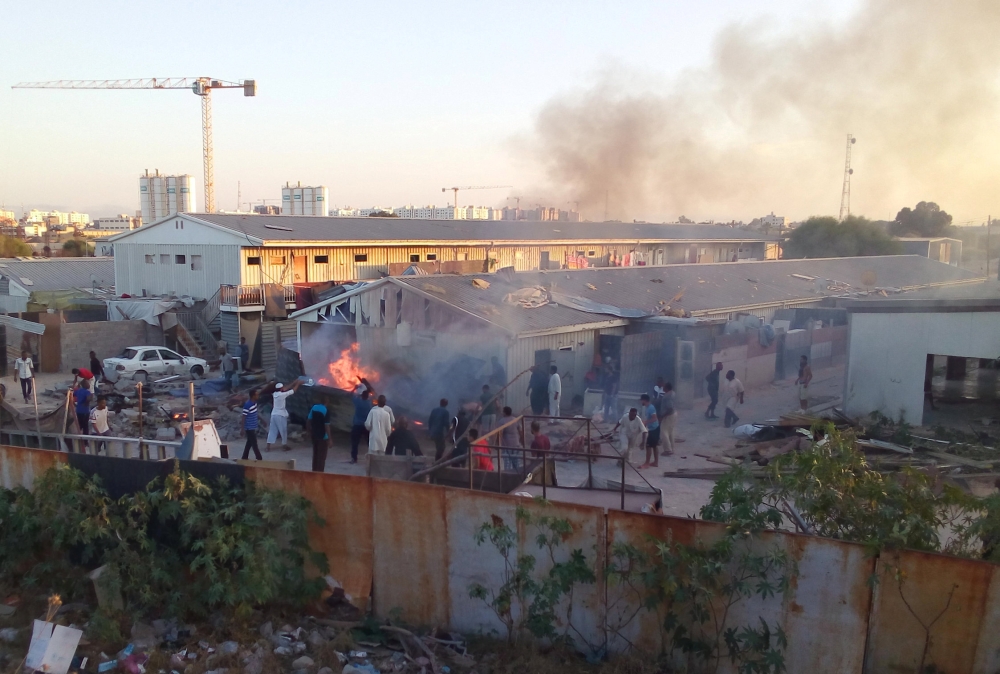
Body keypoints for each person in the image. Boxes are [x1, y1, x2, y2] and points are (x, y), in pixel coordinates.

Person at [265, 379, 303, 452]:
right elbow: (293, 391)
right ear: (281, 389)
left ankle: (268, 447)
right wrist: (298, 384)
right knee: (283, 430)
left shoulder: (275, 394)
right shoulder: (282, 395)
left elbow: (285, 388)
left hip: (274, 414)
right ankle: (284, 446)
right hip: (280, 415)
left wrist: (294, 382)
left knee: (272, 431)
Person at [350, 382, 375, 464]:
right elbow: (373, 396)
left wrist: (355, 388)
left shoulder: (358, 402)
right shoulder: (369, 404)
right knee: (369, 443)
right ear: (367, 396)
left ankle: (354, 459)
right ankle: (372, 458)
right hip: (366, 426)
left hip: (357, 425)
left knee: (355, 443)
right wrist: (369, 389)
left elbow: (351, 395)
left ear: (361, 396)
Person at [498, 405, 523, 471]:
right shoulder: (515, 419)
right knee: (516, 463)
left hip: (507, 445)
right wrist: (521, 440)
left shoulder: (502, 421)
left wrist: (499, 444)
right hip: (516, 443)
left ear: (505, 413)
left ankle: (508, 477)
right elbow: (520, 431)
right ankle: (517, 478)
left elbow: (500, 433)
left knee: (507, 464)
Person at [307, 401, 331, 472]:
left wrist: (308, 431)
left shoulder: (314, 407)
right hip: (323, 437)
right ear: (327, 401)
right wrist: (330, 439)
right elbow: (327, 426)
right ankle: (320, 473)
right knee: (322, 457)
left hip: (314, 435)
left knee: (315, 454)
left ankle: (314, 471)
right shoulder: (326, 410)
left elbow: (308, 421)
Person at [639, 394, 660, 469]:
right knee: (654, 446)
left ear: (644, 400)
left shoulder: (650, 408)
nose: (641, 401)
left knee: (648, 446)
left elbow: (654, 418)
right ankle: (656, 462)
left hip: (653, 429)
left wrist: (646, 422)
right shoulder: (648, 407)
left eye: (641, 400)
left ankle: (647, 463)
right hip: (655, 428)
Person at [241, 388, 263, 460]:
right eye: (256, 395)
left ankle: (244, 457)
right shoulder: (247, 405)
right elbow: (243, 417)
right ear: (253, 396)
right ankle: (259, 458)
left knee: (249, 443)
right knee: (254, 443)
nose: (258, 396)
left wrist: (262, 420)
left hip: (253, 427)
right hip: (249, 428)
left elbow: (255, 413)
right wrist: (242, 429)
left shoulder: (254, 403)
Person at [659, 382, 677, 456]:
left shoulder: (667, 396)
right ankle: (671, 449)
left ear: (666, 388)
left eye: (664, 387)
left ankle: (667, 450)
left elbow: (670, 408)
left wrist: (663, 416)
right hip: (673, 414)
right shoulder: (673, 393)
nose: (663, 388)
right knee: (670, 431)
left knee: (664, 432)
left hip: (668, 415)